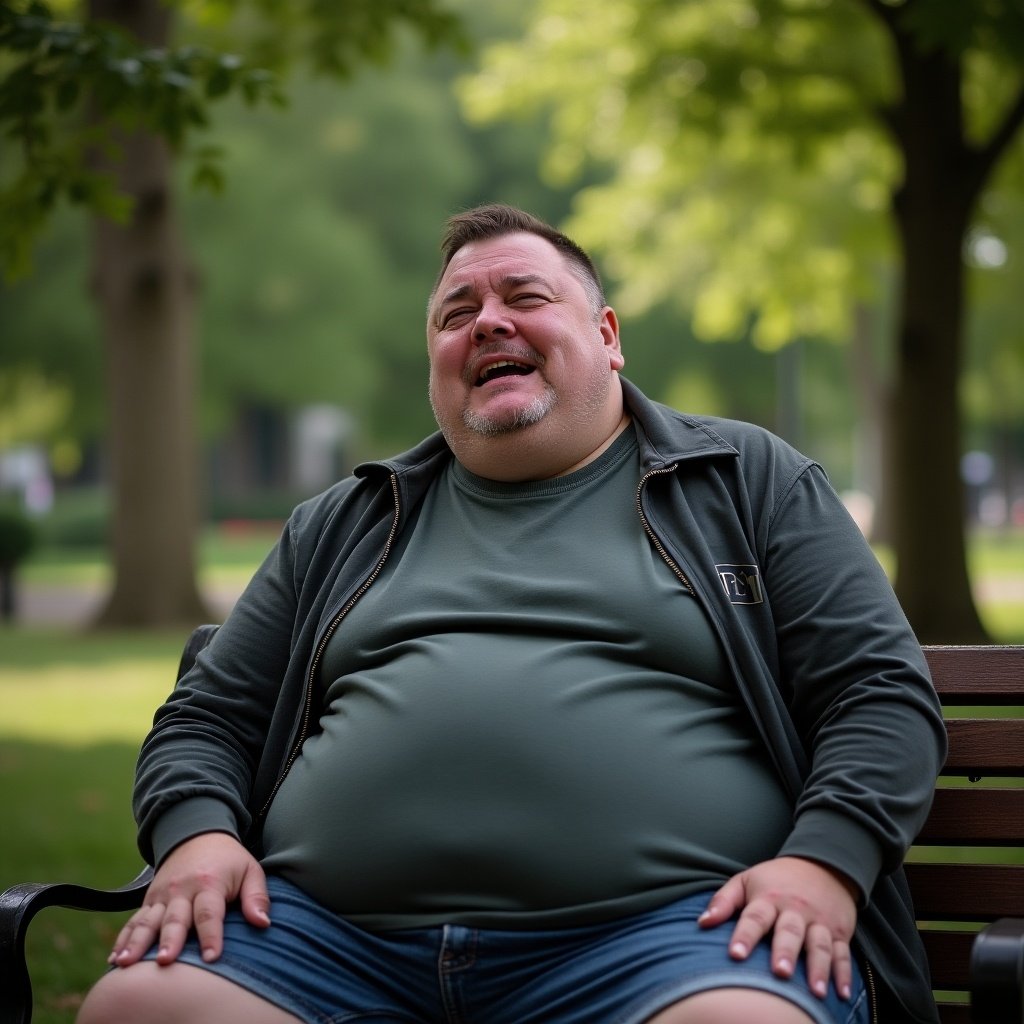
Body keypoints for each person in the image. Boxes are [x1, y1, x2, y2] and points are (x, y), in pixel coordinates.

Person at [77, 204, 946, 1024]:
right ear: (436, 364)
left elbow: (877, 695)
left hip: (670, 945)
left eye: (525, 297)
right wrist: (194, 838)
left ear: (607, 339)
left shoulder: (744, 480)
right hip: (331, 945)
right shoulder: (347, 521)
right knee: (136, 1009)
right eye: (457, 314)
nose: (488, 322)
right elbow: (208, 716)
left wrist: (823, 864)